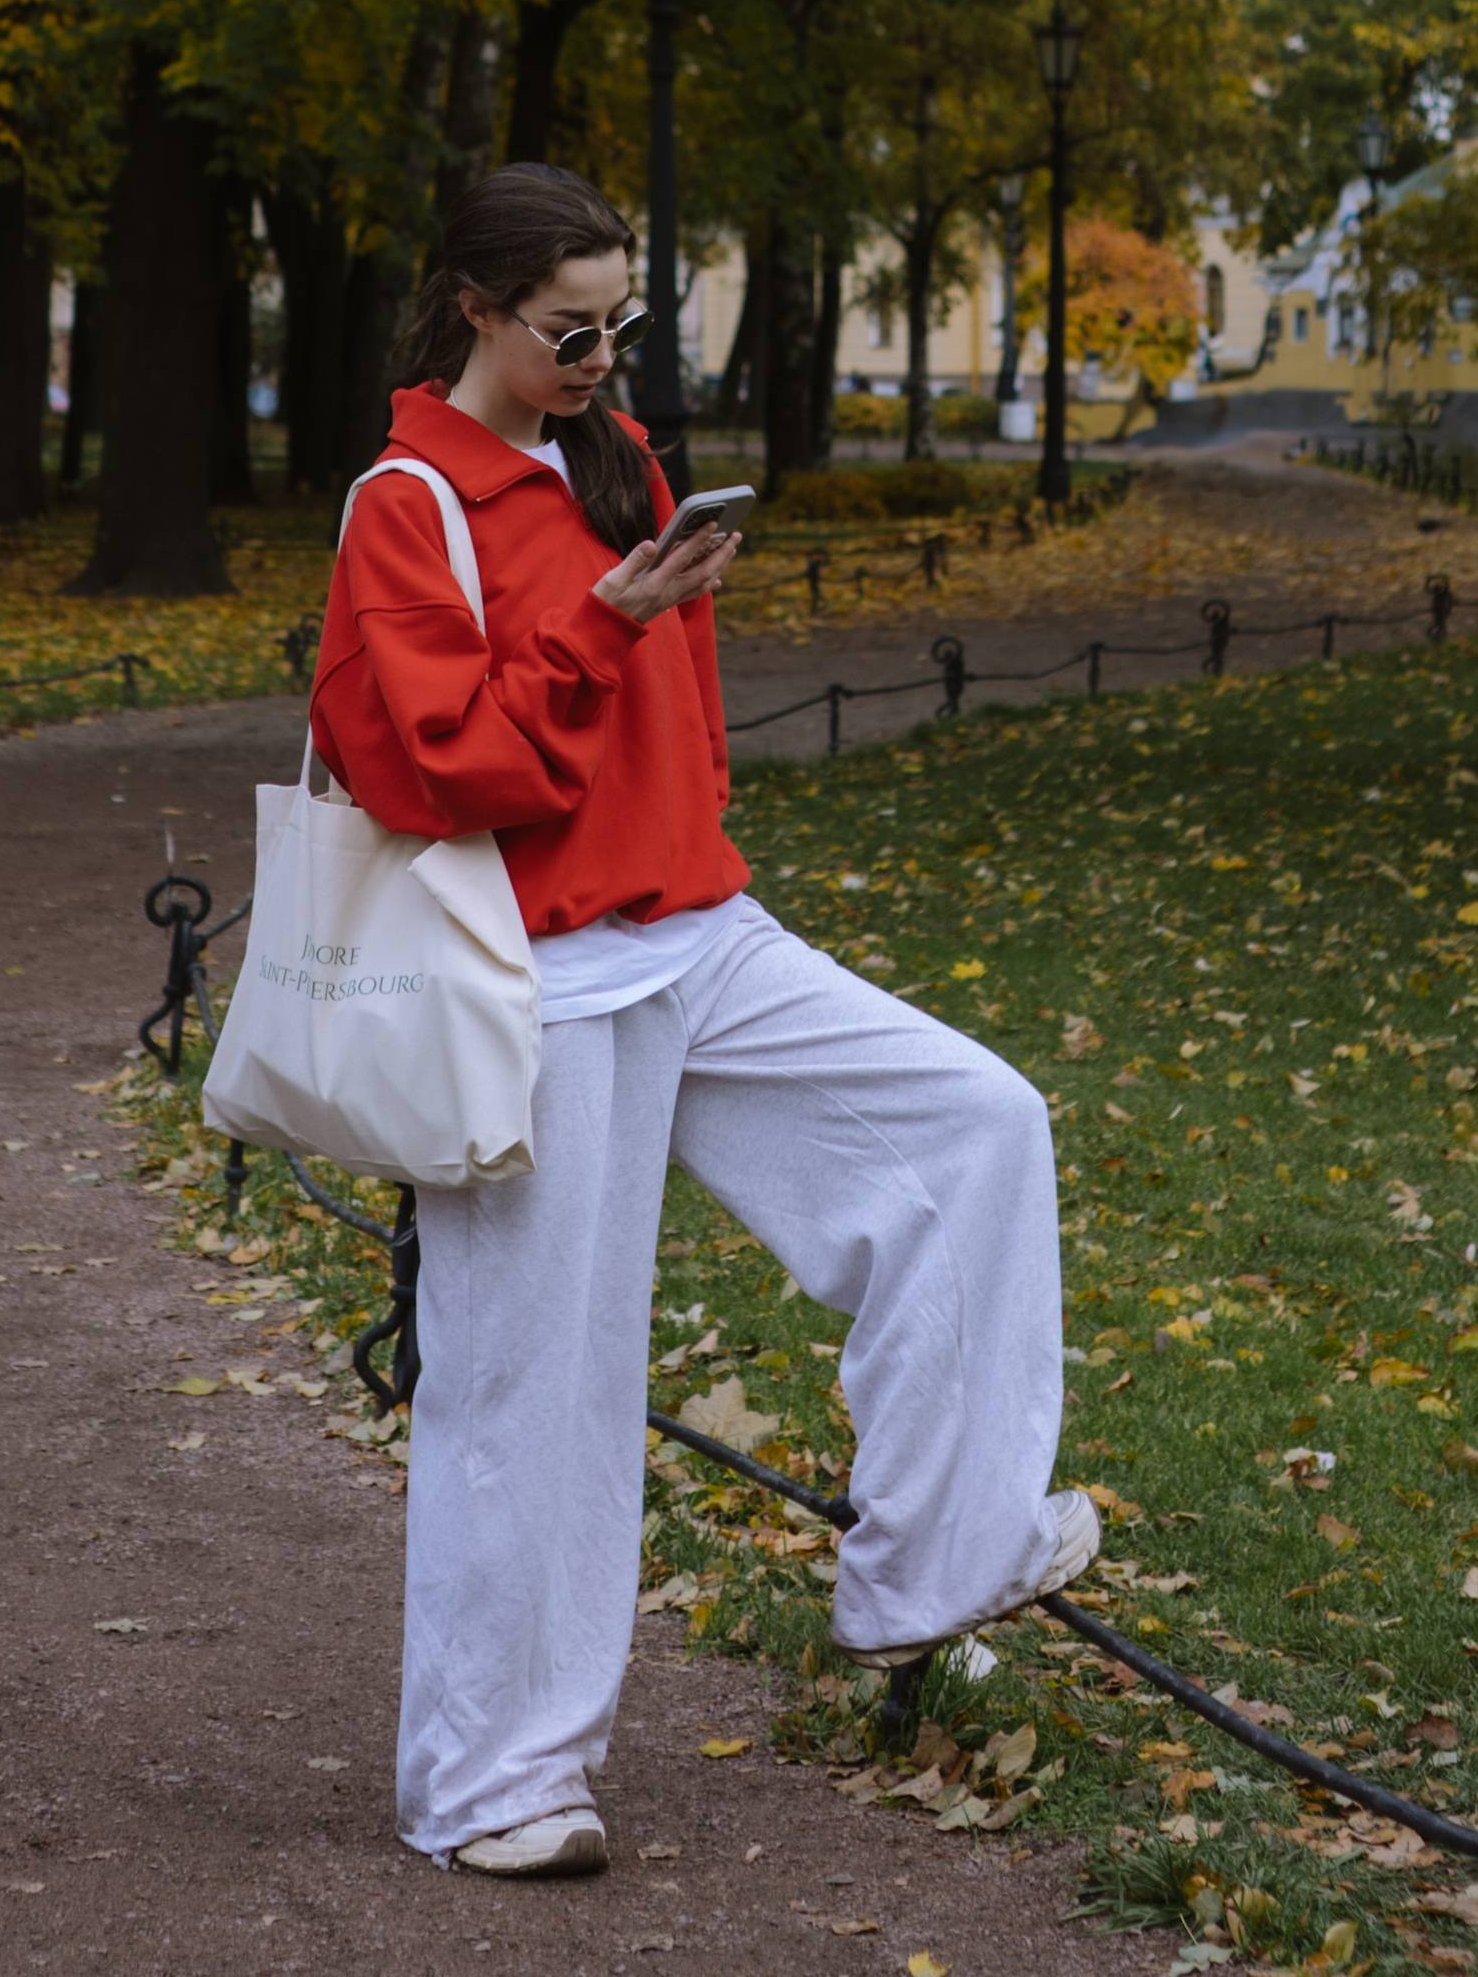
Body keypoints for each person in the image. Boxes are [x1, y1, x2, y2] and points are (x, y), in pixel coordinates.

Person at [306, 161, 1097, 1879]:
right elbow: (435, 766)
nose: (601, 356)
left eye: (622, 323)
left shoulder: (614, 453)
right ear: (473, 309)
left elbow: (671, 708)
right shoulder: (406, 499)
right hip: (532, 970)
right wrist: (606, 625)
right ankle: (496, 1786)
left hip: (699, 925)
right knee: (538, 1382)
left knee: (975, 1123)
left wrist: (662, 674)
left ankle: (935, 1559)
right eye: (566, 329)